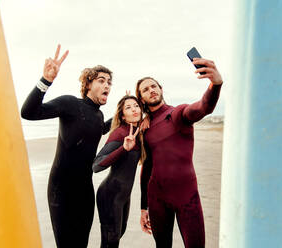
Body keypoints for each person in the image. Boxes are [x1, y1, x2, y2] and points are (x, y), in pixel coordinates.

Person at [21, 45, 113, 248]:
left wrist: (124, 112)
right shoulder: (70, 104)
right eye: (101, 80)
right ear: (88, 84)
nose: (107, 85)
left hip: (85, 191)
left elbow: (101, 129)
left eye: (109, 82)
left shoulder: (98, 116)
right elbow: (28, 112)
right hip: (61, 191)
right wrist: (46, 81)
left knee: (81, 244)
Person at [137, 57, 223, 248]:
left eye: (153, 86)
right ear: (141, 98)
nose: (151, 90)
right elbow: (147, 166)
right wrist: (144, 206)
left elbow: (202, 107)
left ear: (160, 89)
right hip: (156, 197)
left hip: (186, 195)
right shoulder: (145, 127)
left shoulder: (177, 114)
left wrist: (215, 85)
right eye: (145, 89)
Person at [92, 95, 145, 248]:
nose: (134, 109)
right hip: (110, 194)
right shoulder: (120, 133)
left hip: (123, 195)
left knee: (118, 234)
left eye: (136, 106)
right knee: (111, 240)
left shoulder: (138, 131)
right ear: (122, 116)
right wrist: (123, 148)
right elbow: (97, 165)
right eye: (128, 108)